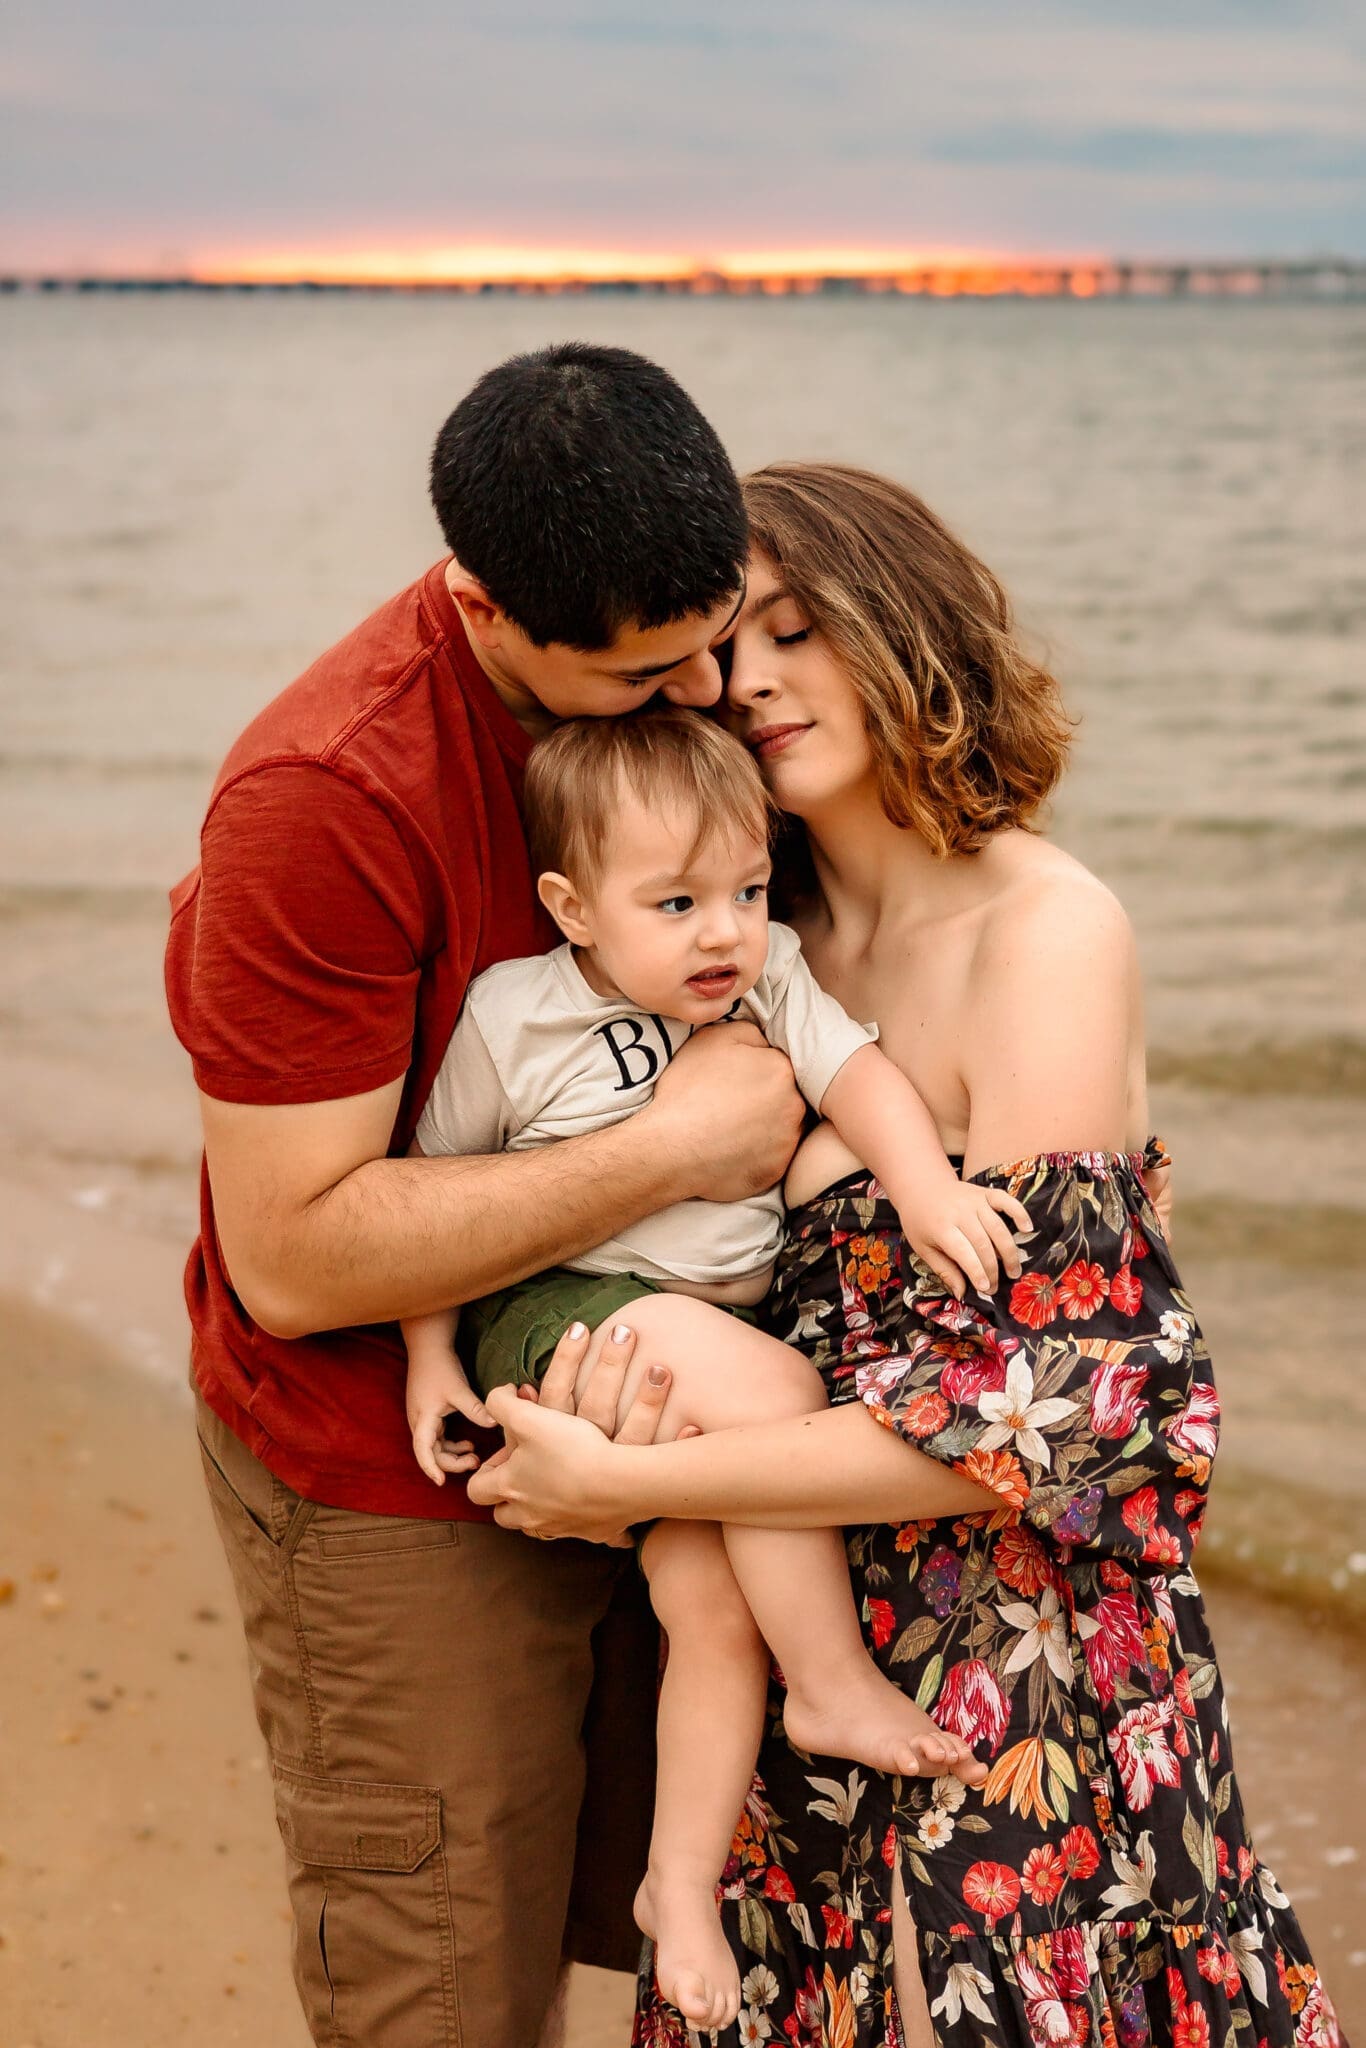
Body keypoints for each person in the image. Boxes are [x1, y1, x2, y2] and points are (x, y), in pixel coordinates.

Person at [468, 465, 1342, 2047]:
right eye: (720, 650)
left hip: (1019, 1674)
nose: (746, 681)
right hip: (779, 1647)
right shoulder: (733, 938)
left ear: (905, 622)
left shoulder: (1040, 935)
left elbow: (1057, 1418)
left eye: (793, 630)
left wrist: (627, 1489)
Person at [162, 343, 812, 2048]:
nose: (700, 697)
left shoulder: (687, 668)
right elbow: (292, 1257)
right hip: (393, 1455)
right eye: (638, 675)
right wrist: (681, 1142)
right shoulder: (325, 799)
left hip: (658, 1406)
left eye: (714, 642)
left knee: (691, 1923)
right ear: (478, 604)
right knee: (450, 1971)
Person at [403, 705, 1034, 2030]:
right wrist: (425, 1363)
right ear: (572, 909)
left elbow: (854, 1071)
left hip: (694, 1330)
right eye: (676, 901)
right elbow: (436, 1195)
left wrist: (923, 1188)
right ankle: (836, 1687)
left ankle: (675, 1886)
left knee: (710, 1602)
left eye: (745, 890)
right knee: (779, 1399)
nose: (722, 931)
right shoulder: (512, 1016)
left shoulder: (769, 975)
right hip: (565, 1303)